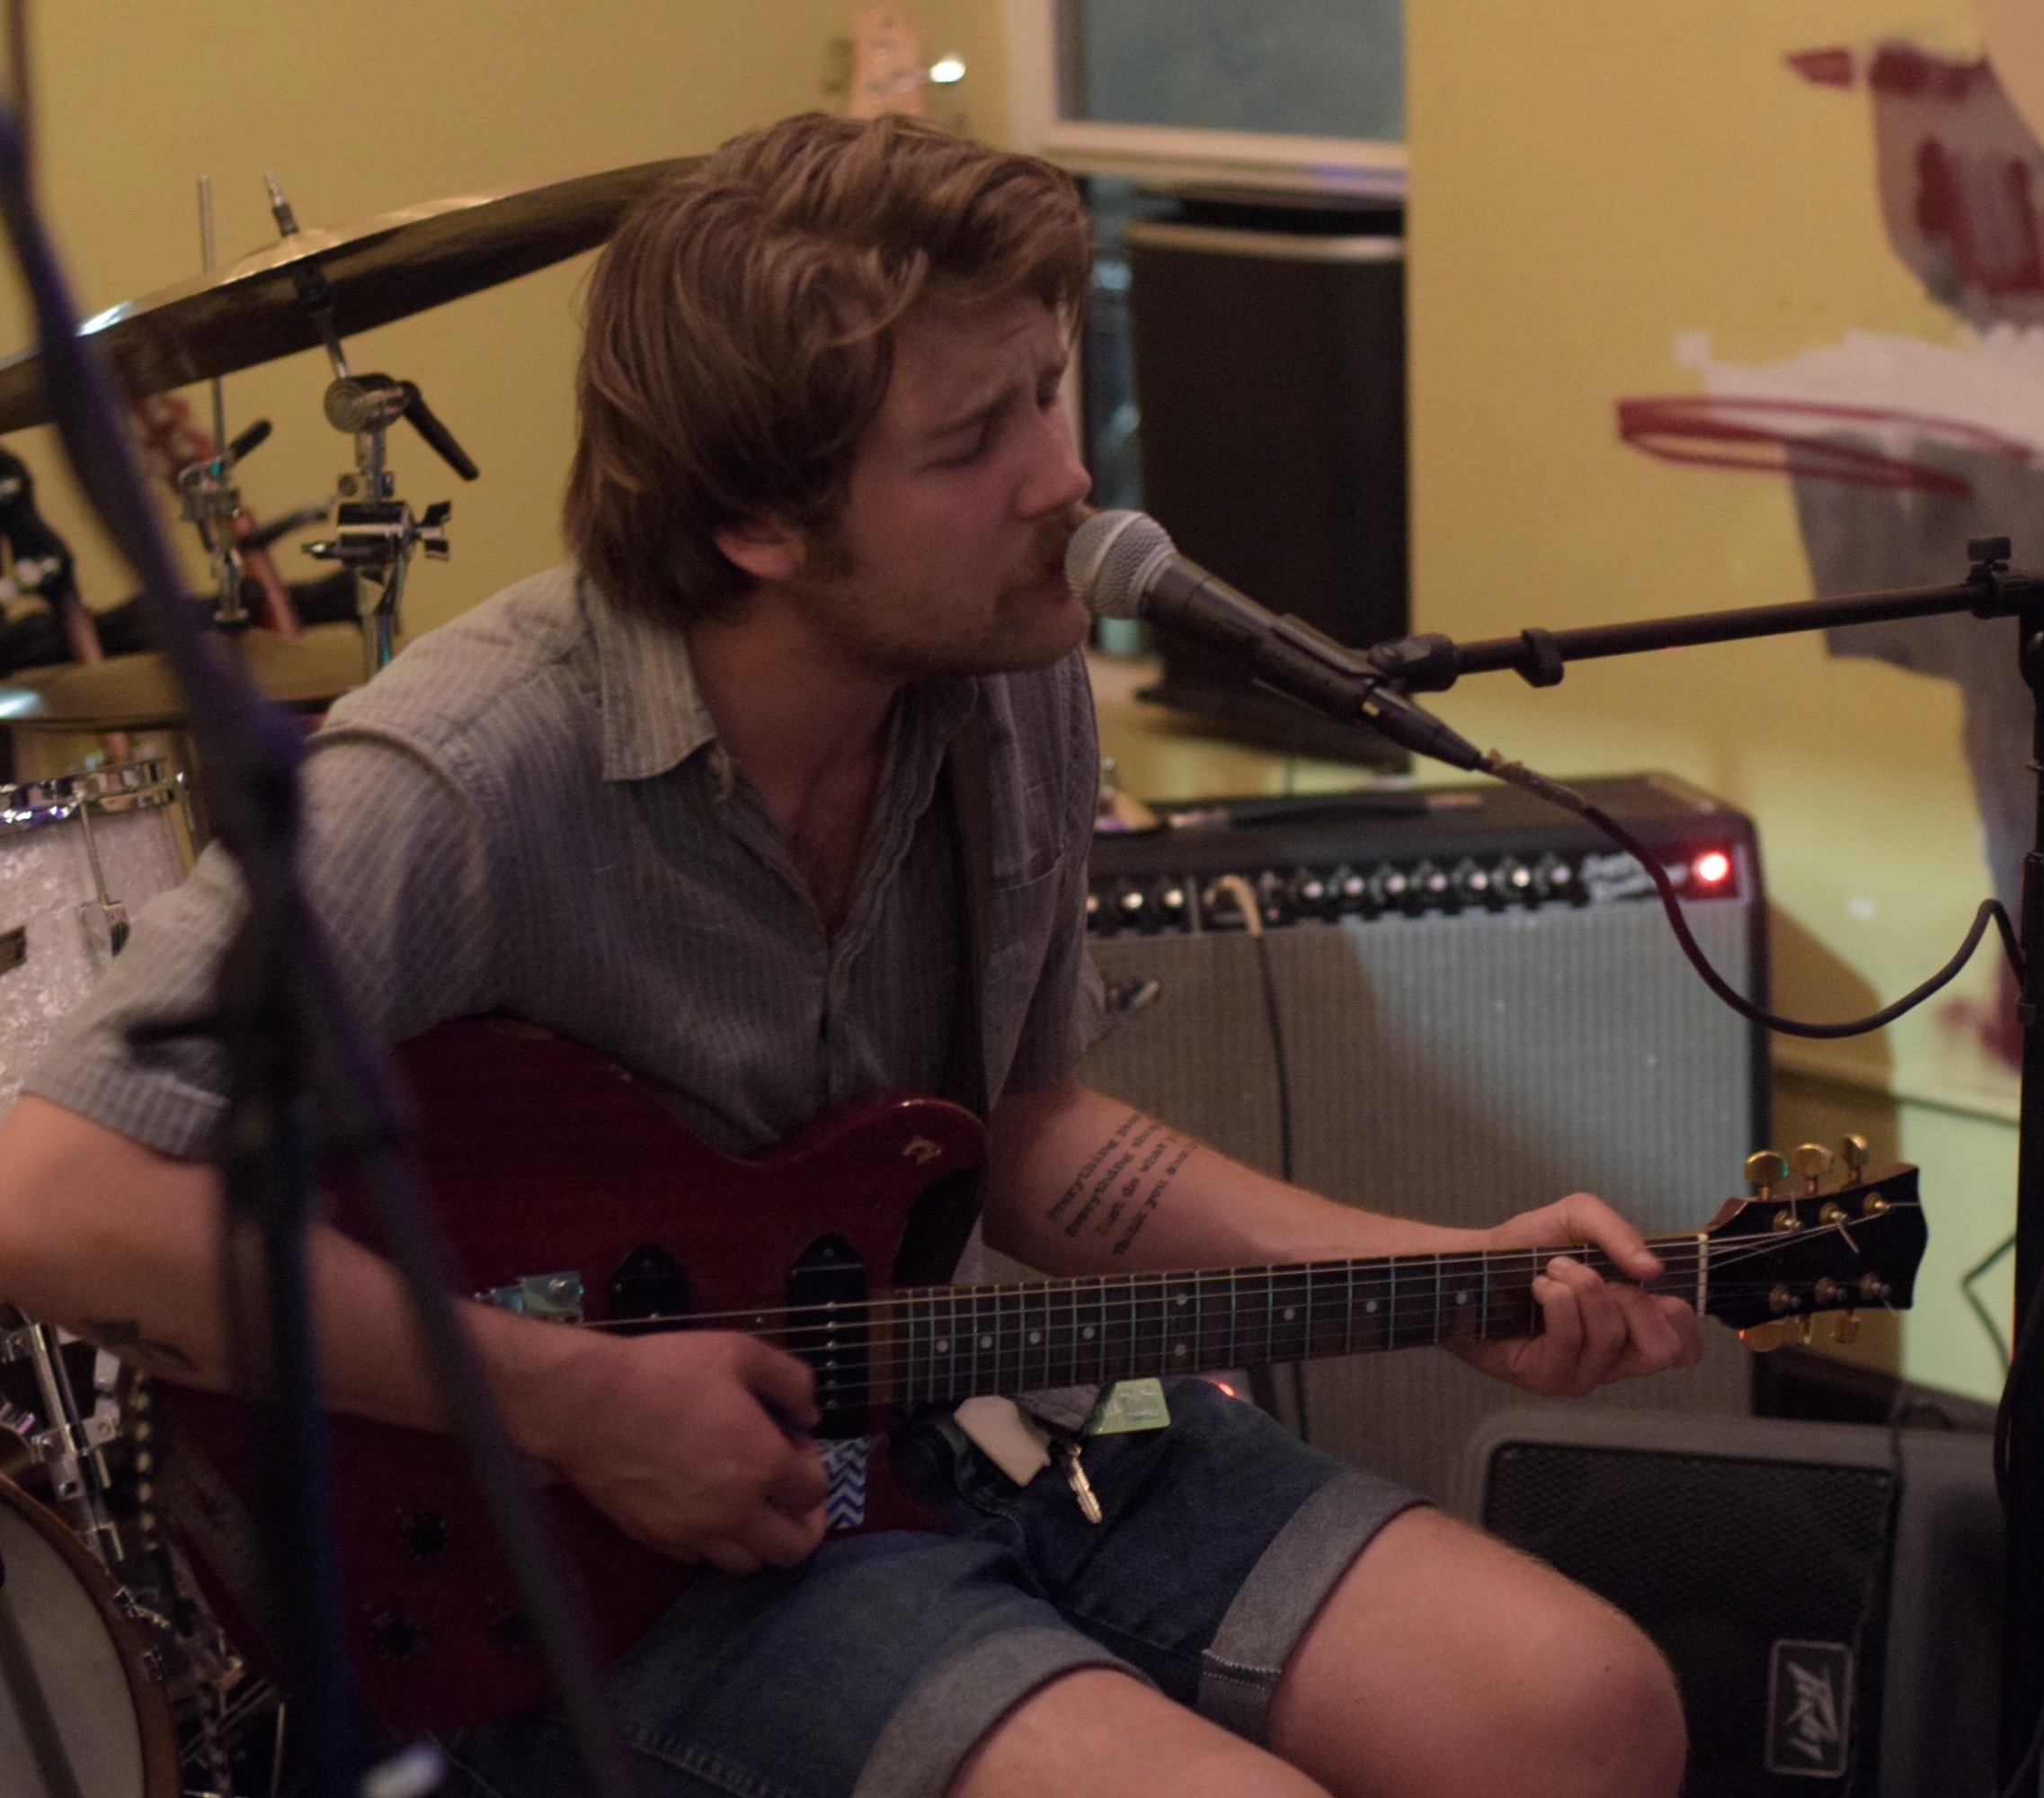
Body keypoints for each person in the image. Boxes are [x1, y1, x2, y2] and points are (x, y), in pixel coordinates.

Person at [0, 114, 1699, 1798]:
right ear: (760, 521)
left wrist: (1447, 1271)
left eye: (1048, 390)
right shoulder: (466, 773)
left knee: (1584, 1709)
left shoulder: (1010, 678)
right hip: (606, 1533)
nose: (1065, 479)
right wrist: (577, 1402)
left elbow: (1024, 1132)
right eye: (972, 441)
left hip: (954, 1401)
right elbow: (52, 1199)